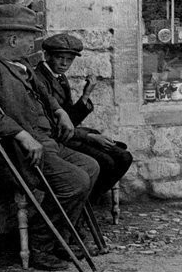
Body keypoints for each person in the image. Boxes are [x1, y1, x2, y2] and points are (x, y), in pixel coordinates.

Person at [0, 5, 99, 271]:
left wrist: (59, 111)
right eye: (28, 38)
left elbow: (43, 92)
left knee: (91, 167)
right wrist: (21, 134)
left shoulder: (20, 62)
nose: (32, 43)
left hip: (43, 141)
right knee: (74, 181)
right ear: (13, 39)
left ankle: (62, 240)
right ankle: (41, 245)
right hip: (8, 152)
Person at [35, 33, 133, 205]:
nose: (64, 64)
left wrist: (86, 95)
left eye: (69, 59)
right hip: (58, 140)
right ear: (47, 55)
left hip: (70, 135)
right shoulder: (39, 80)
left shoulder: (58, 77)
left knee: (124, 157)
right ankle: (82, 205)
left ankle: (85, 203)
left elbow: (70, 119)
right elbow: (55, 126)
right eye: (59, 58)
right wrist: (89, 137)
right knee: (107, 162)